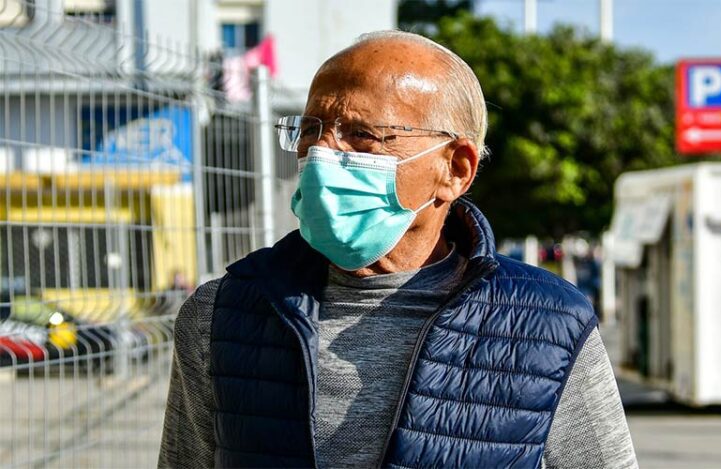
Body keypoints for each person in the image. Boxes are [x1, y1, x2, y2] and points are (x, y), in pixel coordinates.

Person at [159, 30, 637, 469]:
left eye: (363, 135)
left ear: (455, 169)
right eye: (310, 130)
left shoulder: (549, 323)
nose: (323, 154)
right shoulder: (221, 315)